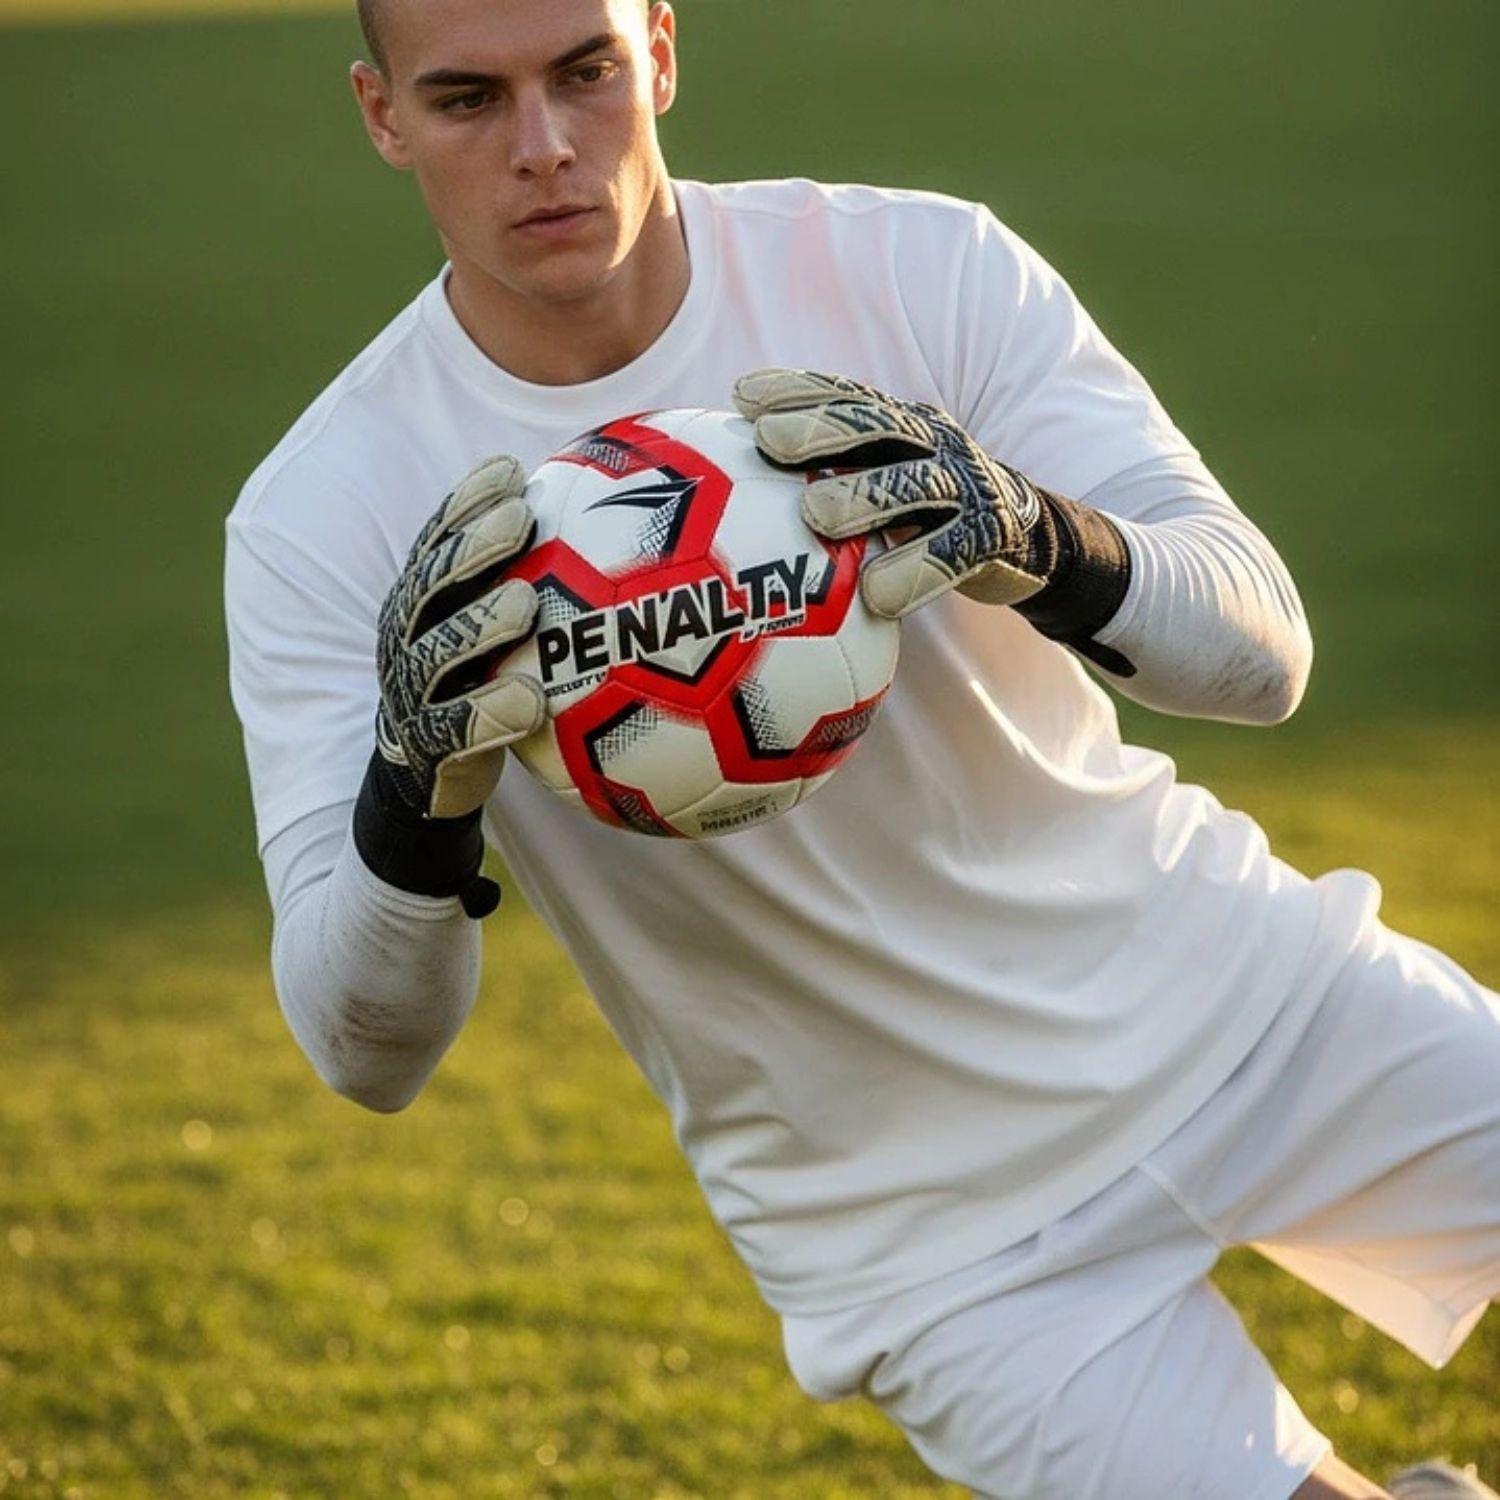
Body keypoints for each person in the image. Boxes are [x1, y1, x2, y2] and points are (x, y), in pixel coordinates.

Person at [222, 2, 1499, 1495]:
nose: (546, 147)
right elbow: (363, 1048)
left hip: (1257, 1008)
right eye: (467, 101)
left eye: (587, 72)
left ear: (663, 52)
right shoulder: (331, 512)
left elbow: (1263, 652)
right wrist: (414, 784)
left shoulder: (912, 268)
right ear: (381, 115)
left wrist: (1028, 530)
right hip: (928, 1235)